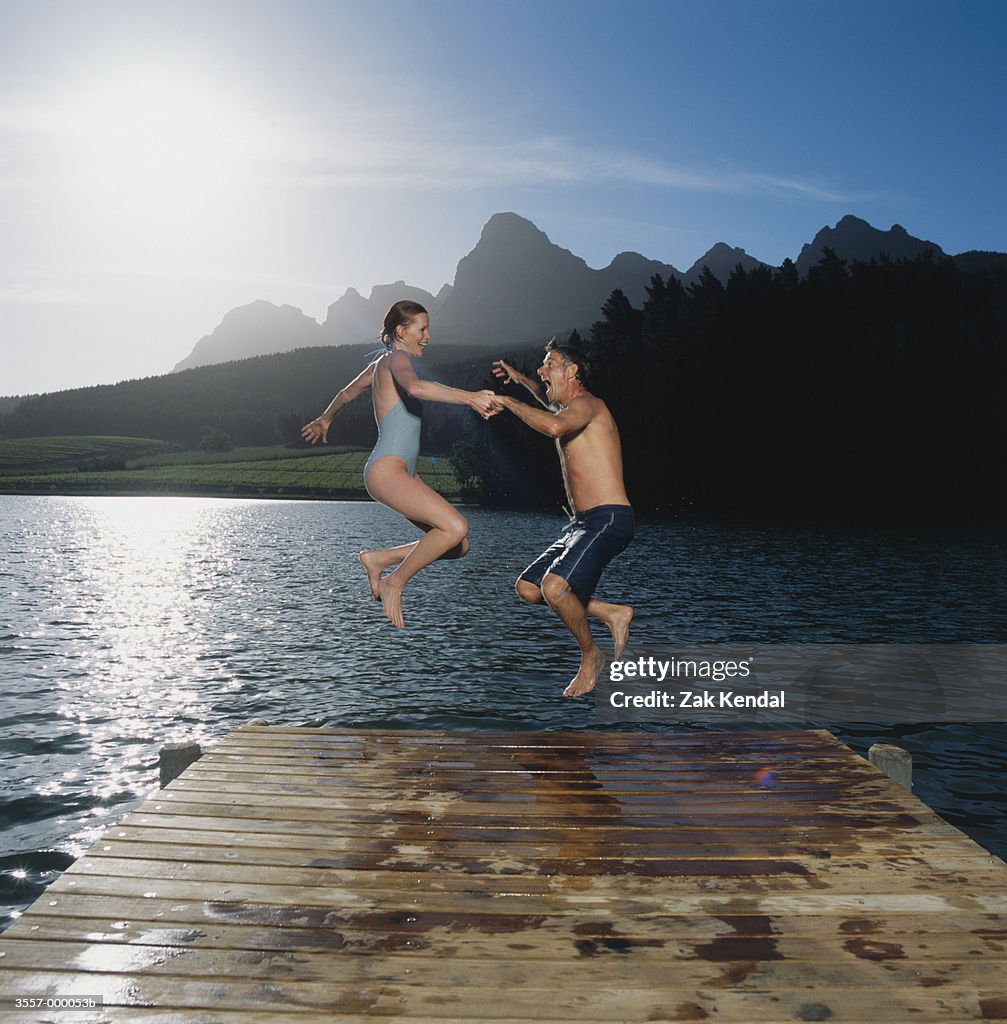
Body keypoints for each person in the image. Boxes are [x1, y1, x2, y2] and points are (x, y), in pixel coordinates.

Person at [302, 300, 498, 628]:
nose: (428, 336)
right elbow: (417, 388)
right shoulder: (396, 358)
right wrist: (471, 397)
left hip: (402, 474)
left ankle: (380, 558)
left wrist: (326, 418)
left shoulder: (380, 364)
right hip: (387, 471)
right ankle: (395, 580)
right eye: (421, 329)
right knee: (456, 527)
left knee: (457, 545)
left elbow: (347, 393)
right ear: (401, 331)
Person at [491, 340, 634, 698]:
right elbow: (546, 396)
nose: (543, 370)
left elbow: (554, 427)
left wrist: (508, 402)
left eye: (549, 363)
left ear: (572, 371)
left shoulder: (587, 406)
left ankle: (591, 657)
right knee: (529, 588)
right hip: (582, 524)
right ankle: (612, 613)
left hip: (609, 519)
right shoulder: (568, 404)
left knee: (555, 587)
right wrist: (519, 378)